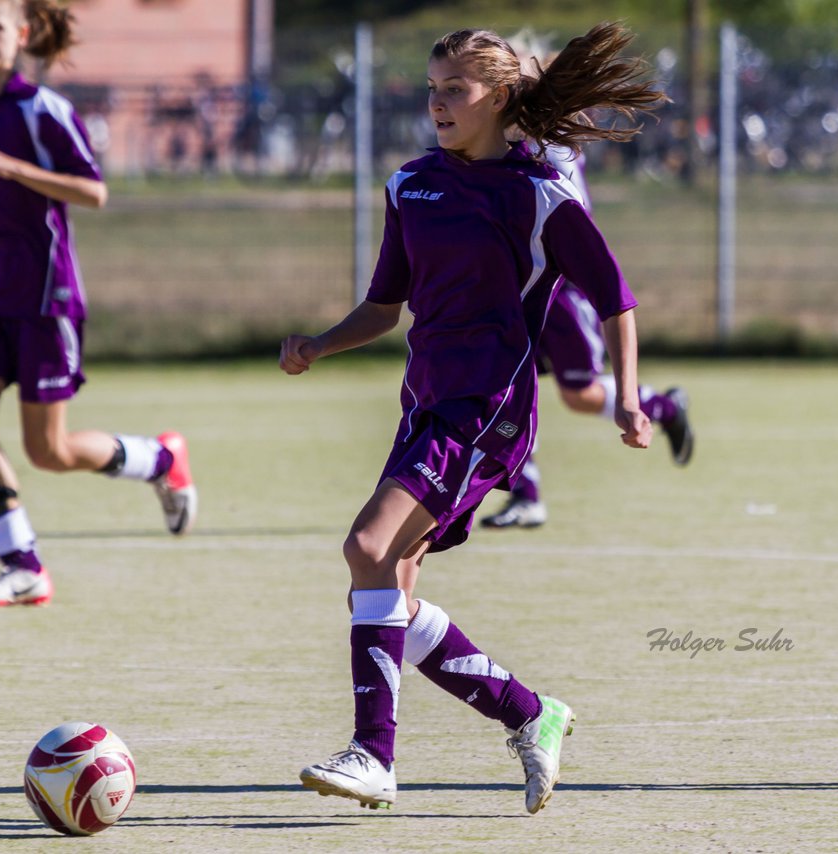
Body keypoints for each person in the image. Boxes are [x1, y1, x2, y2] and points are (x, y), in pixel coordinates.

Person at [280, 23, 663, 814]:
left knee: (365, 546)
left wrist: (627, 395)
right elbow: (386, 307)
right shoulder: (410, 185)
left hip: (485, 412)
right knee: (391, 590)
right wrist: (321, 343)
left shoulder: (537, 194)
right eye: (431, 88)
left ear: (499, 96)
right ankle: (531, 713)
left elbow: (617, 299)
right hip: (425, 405)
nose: (438, 103)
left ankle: (373, 757)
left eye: (455, 89)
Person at [0, 0, 197, 607]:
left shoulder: (44, 110)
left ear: (20, 35)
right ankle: (23, 564)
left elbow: (93, 192)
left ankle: (159, 458)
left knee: (50, 451)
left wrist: (13, 167)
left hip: (47, 297)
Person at [481, 141, 694, 530]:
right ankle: (526, 495)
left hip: (559, 290)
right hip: (511, 290)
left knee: (579, 394)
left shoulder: (548, 147)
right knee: (502, 387)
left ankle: (664, 407)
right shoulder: (500, 141)